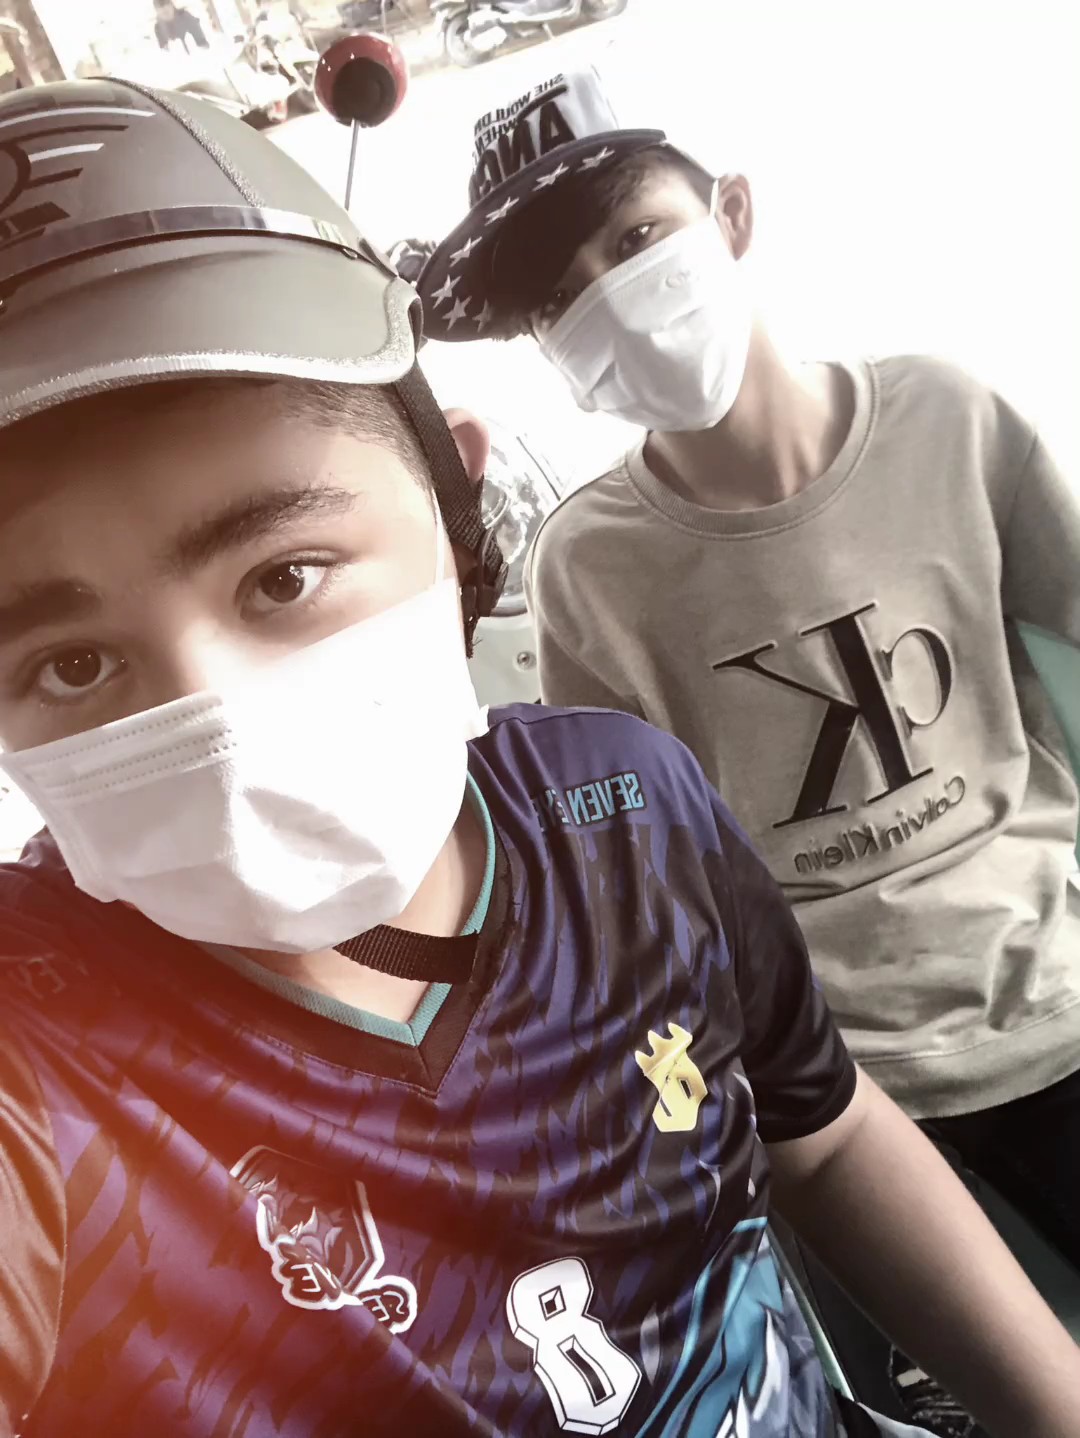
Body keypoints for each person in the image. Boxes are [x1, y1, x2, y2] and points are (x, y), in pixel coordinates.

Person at [1, 78, 1079, 1438]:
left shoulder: (619, 809)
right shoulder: (45, 1047)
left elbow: (827, 1130)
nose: (211, 720)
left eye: (283, 576)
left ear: (456, 508)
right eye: (70, 663)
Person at [418, 51, 1080, 1287]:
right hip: (832, 1081)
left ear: (731, 212)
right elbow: (638, 859)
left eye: (635, 238)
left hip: (1054, 984)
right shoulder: (588, 571)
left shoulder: (949, 419)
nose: (614, 301)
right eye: (561, 297)